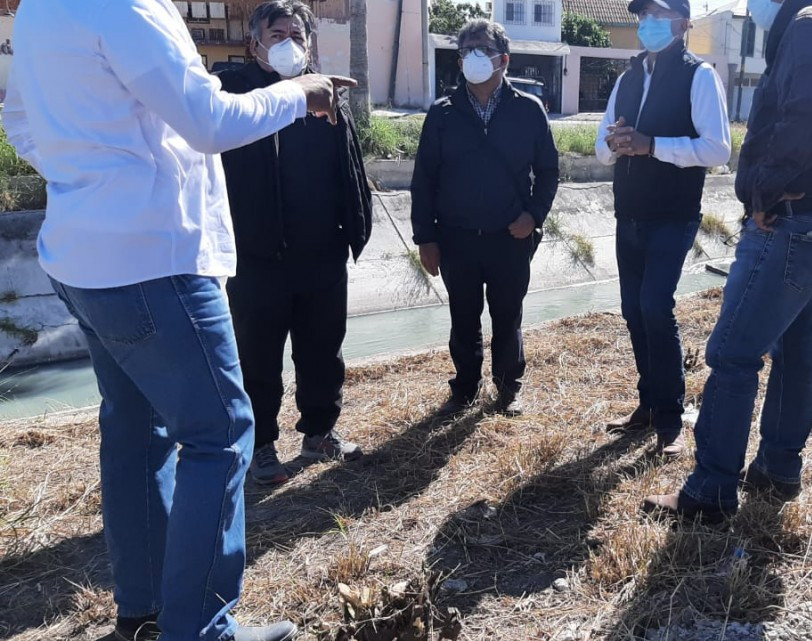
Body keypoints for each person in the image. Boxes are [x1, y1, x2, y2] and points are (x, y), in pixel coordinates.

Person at [4, 1, 353, 639]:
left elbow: (21, 120)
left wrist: (92, 180)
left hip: (85, 258)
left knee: (137, 432)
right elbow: (207, 120)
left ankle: (145, 614)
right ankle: (201, 628)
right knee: (220, 433)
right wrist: (298, 93)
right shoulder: (127, 8)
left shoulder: (39, 13)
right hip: (154, 260)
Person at [643, 0, 812, 522]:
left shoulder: (811, 25)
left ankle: (710, 491)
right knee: (794, 350)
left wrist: (765, 192)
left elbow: (808, 114)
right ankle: (777, 467)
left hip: (788, 218)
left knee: (732, 353)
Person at [218, 1, 373, 486]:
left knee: (323, 350)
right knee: (258, 357)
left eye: (298, 35)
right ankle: (261, 445)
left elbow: (347, 165)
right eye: (278, 33)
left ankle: (320, 432)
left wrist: (353, 229)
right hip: (255, 256)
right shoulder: (231, 94)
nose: (290, 42)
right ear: (254, 42)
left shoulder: (325, 93)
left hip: (322, 252)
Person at [595, 0, 732, 458]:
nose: (647, 25)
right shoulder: (627, 77)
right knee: (633, 311)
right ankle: (648, 405)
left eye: (658, 16)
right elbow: (600, 147)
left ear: (682, 23)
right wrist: (616, 143)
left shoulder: (700, 76)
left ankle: (671, 420)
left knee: (655, 307)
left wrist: (651, 145)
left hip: (673, 215)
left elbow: (717, 149)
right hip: (628, 213)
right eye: (642, 16)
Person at [411, 19, 559, 417]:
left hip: (511, 236)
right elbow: (423, 179)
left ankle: (509, 387)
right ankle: (464, 389)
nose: (473, 56)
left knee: (508, 316)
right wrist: (425, 237)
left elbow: (548, 172)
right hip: (456, 236)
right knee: (463, 316)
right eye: (467, 50)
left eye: (482, 48)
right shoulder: (442, 114)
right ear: (459, 61)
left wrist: (533, 215)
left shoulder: (528, 110)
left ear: (504, 59)